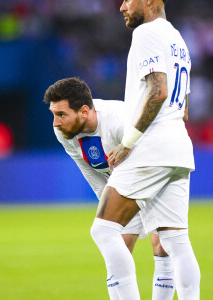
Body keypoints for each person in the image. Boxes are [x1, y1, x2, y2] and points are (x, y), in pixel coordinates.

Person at [90, 1, 201, 300]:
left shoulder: (146, 33)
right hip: (178, 145)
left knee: (103, 230)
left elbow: (158, 89)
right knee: (176, 241)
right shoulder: (179, 40)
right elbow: (184, 109)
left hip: (149, 148)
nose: (122, 6)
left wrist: (128, 143)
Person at [44, 77, 176, 300]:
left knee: (162, 245)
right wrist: (109, 212)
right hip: (123, 182)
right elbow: (90, 172)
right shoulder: (64, 132)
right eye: (54, 114)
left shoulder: (119, 120)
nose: (56, 123)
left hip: (158, 174)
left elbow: (150, 162)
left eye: (61, 115)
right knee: (115, 247)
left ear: (84, 111)